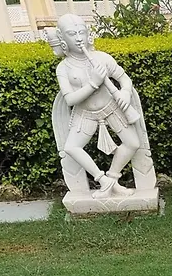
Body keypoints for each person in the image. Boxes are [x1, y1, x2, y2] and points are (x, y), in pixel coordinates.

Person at [50, 14, 143, 199]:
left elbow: (124, 79)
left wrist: (125, 92)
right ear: (62, 38)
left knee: (133, 143)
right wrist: (93, 83)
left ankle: (112, 179)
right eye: (72, 34)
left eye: (81, 32)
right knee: (71, 147)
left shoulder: (102, 58)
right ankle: (102, 180)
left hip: (112, 108)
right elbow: (70, 99)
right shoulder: (64, 67)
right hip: (85, 113)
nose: (78, 38)